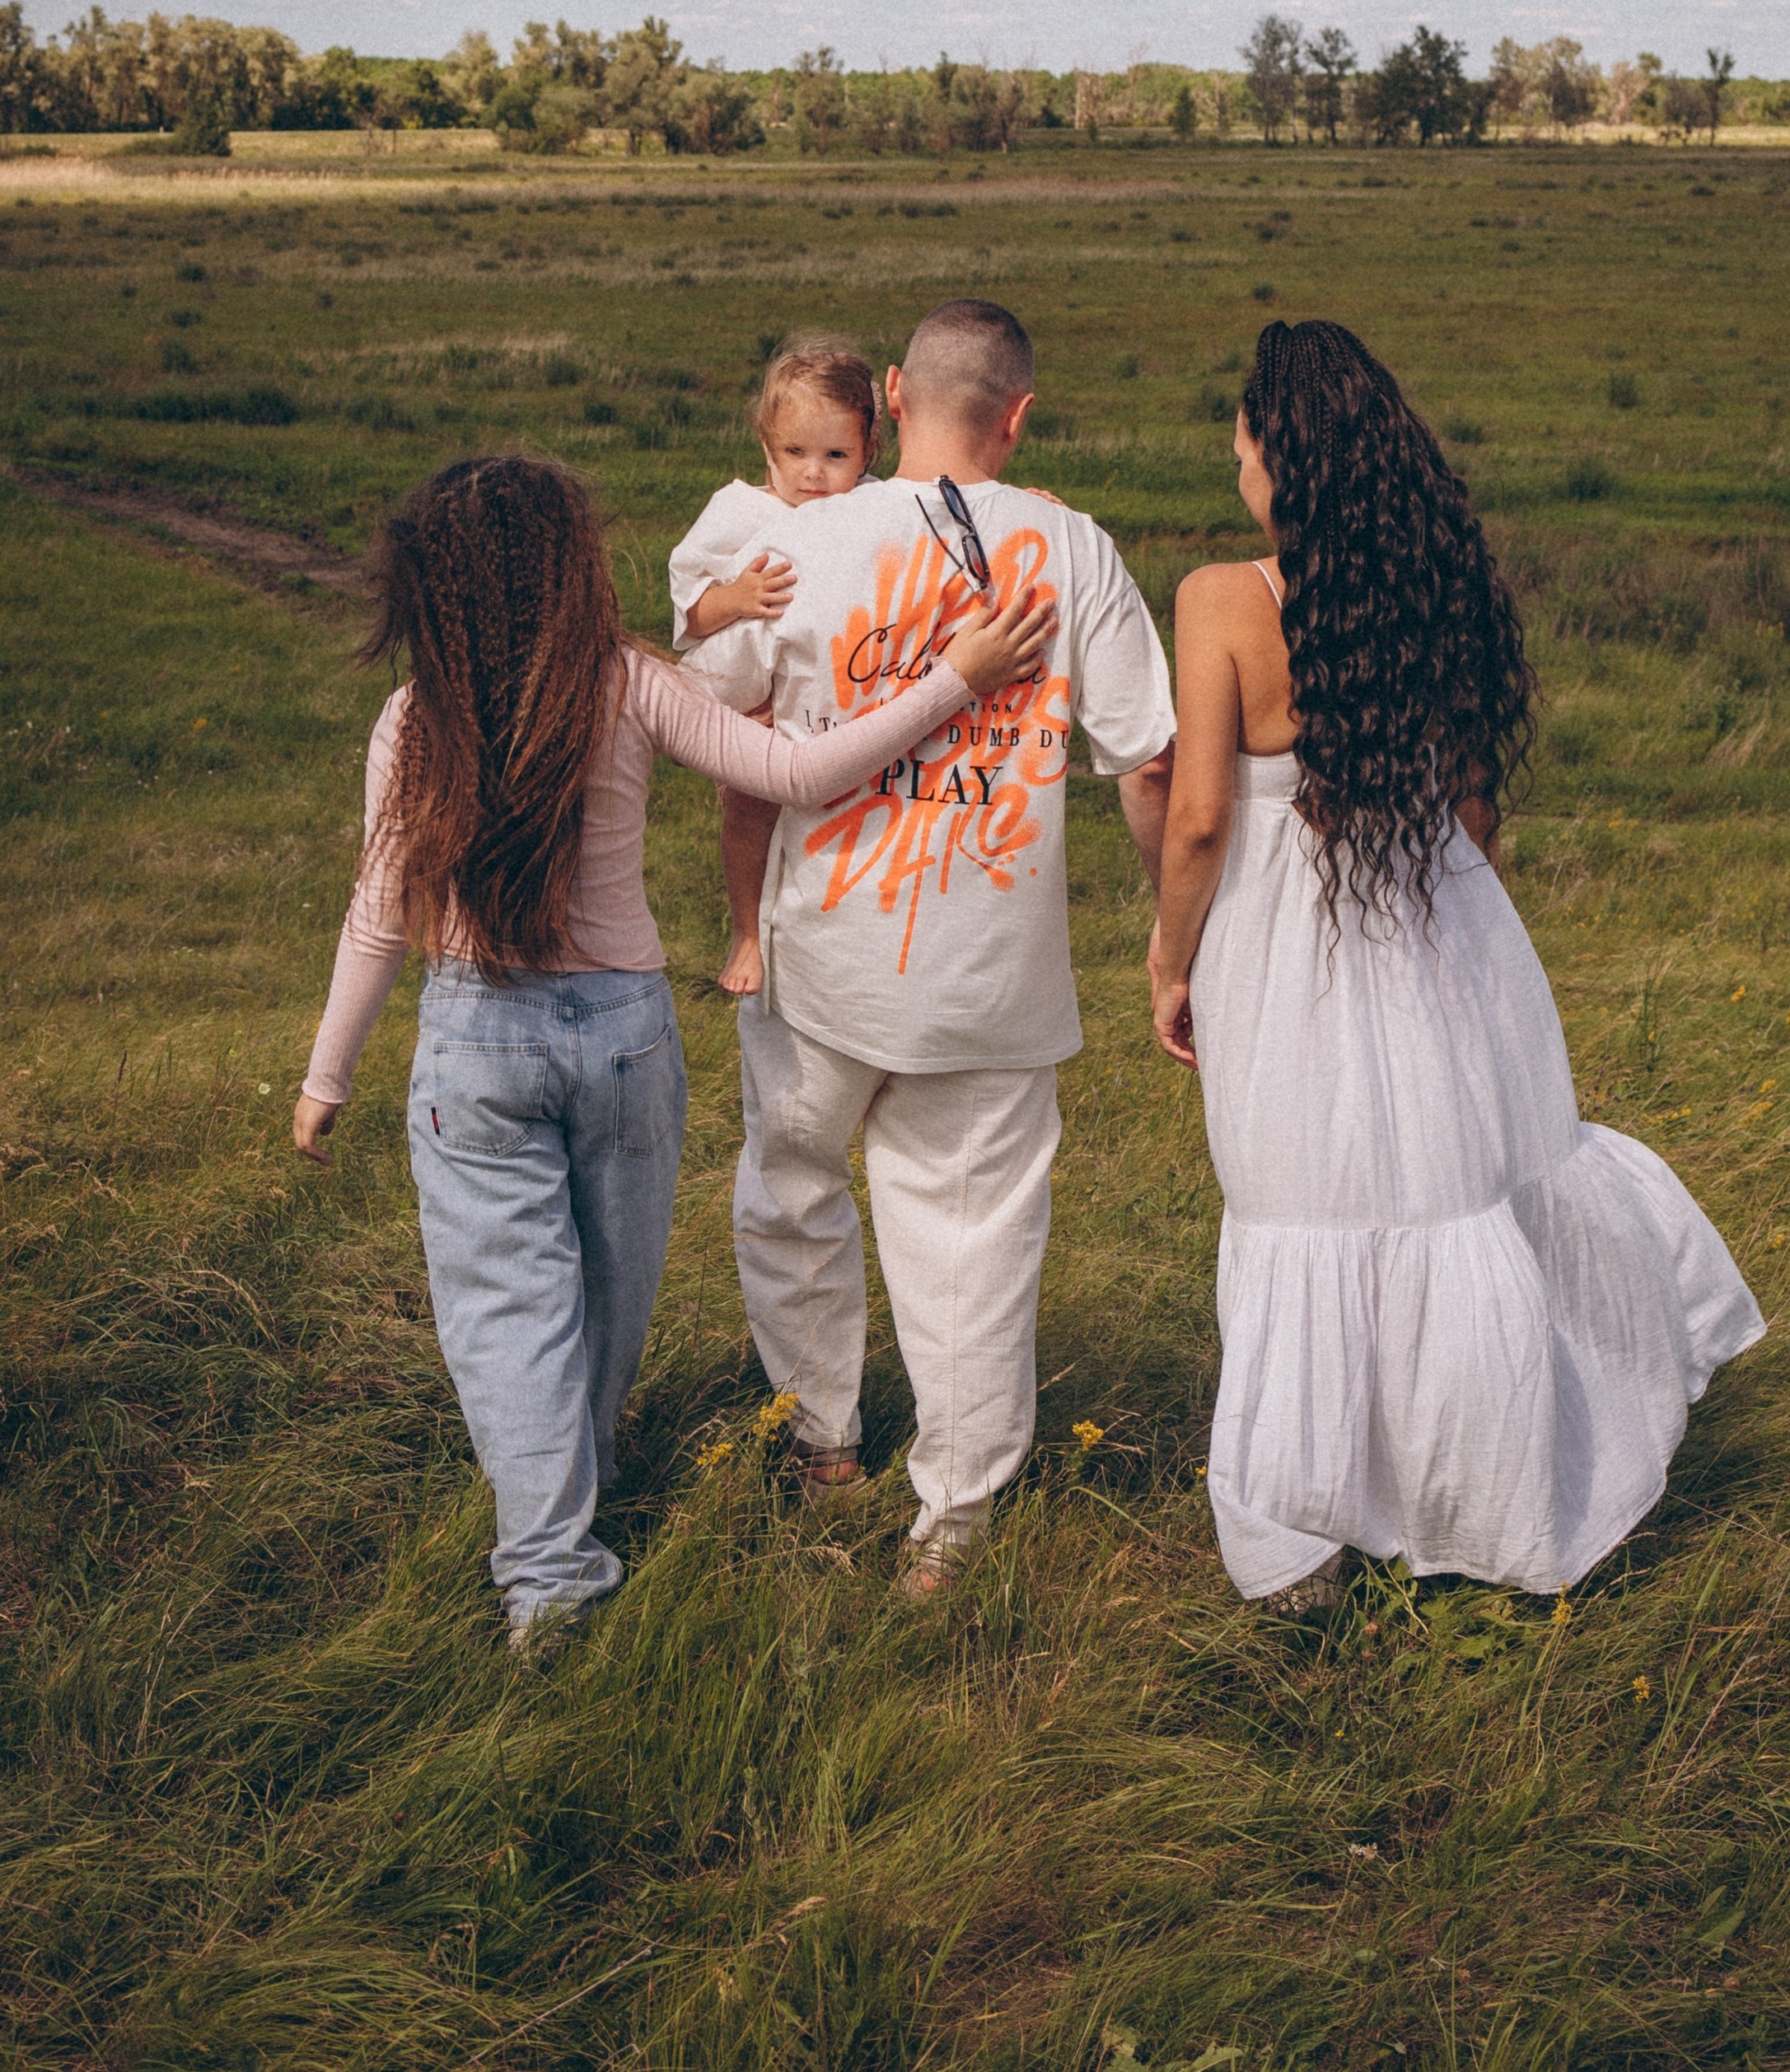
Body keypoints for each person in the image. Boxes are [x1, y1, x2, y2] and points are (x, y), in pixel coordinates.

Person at [289, 453, 1054, 1646]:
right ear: (571, 569)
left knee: (510, 1313)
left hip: (475, 1045)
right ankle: (558, 1525)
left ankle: (549, 1567)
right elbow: (799, 773)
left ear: (428, 590)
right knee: (603, 1304)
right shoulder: (628, 683)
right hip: (625, 1051)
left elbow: (378, 908)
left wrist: (327, 1073)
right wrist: (956, 678)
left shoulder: (411, 721)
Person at [1149, 321, 1764, 1612]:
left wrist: (1168, 958)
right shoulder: (1442, 580)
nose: (1237, 455)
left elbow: (1200, 819)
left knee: (1304, 1215)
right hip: (1442, 936)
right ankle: (1476, 1494)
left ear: (1275, 452)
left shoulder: (1221, 601)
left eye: (1244, 433)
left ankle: (1308, 1546)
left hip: (1288, 961)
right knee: (1452, 1199)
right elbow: (1474, 810)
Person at [689, 298, 1176, 1590]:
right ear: (1018, 417)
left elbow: (716, 717)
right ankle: (952, 1524)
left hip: (821, 964)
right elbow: (1146, 768)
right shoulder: (1072, 547)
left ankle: (820, 1440)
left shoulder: (799, 540)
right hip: (991, 981)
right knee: (970, 1240)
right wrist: (1179, 944)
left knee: (792, 1192)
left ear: (893, 395)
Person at [666, 338, 882, 995]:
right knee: (751, 811)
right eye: (795, 453)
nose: (813, 474)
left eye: (836, 455)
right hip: (745, 692)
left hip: (831, 691)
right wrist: (734, 598)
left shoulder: (875, 503)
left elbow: (947, 511)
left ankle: (849, 933)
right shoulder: (738, 510)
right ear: (767, 447)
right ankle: (748, 935)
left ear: (868, 453)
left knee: (849, 811)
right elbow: (690, 616)